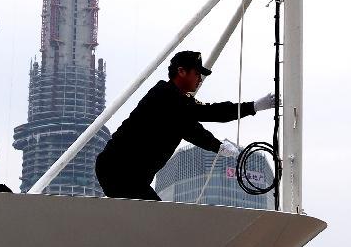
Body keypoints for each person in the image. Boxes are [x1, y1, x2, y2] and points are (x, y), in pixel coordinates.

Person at [95, 50, 275, 200]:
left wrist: (254, 106)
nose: (200, 79)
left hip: (130, 175)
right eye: (197, 73)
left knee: (152, 222)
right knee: (157, 222)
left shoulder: (179, 100)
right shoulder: (164, 95)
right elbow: (189, 128)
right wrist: (217, 146)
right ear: (181, 71)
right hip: (119, 170)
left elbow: (212, 111)